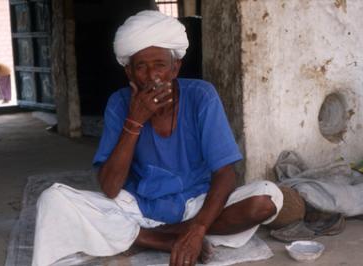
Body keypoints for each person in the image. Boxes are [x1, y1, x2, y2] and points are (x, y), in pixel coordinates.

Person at [32, 11, 283, 266]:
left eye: (160, 65)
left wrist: (197, 229)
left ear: (176, 67)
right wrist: (135, 121)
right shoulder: (119, 104)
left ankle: (153, 237)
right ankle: (156, 239)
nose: (152, 76)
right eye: (141, 66)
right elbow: (109, 188)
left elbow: (226, 174)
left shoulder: (201, 96)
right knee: (53, 200)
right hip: (136, 209)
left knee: (265, 199)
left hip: (194, 205)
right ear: (129, 72)